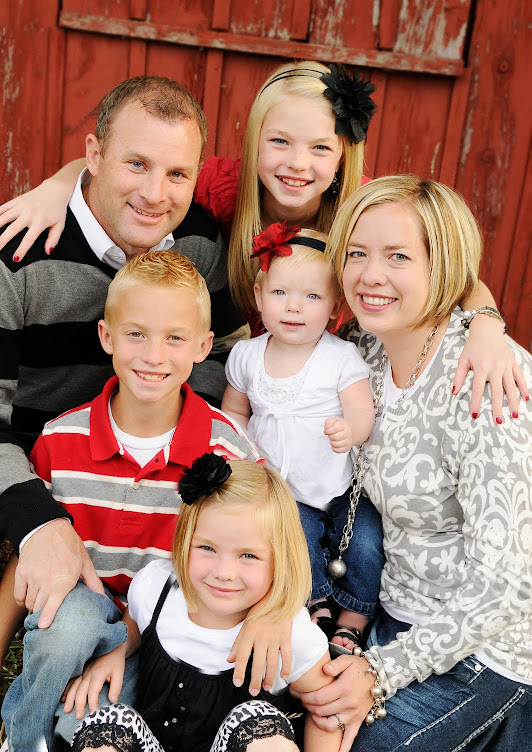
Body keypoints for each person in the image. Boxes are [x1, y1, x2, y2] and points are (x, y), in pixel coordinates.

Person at [0, 62, 521, 423]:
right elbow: (141, 170)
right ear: (254, 143)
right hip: (242, 387)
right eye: (280, 142)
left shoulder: (361, 212)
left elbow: (454, 278)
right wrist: (58, 186)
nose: (297, 164)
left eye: (320, 148)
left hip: (325, 396)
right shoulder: (222, 190)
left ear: (343, 156)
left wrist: (487, 326)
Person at [0, 75, 249, 639]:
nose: (156, 194)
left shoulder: (200, 244)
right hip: (40, 465)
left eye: (177, 173)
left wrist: (172, 438)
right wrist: (38, 521)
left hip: (147, 470)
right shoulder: (16, 256)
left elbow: (223, 352)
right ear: (93, 155)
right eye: (137, 164)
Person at [289, 176, 531, 752]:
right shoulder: (364, 351)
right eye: (357, 253)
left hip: (487, 645)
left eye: (398, 256)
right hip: (389, 612)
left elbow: (504, 586)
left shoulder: (488, 381)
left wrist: (380, 673)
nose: (371, 275)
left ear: (441, 265)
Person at [0, 250, 262, 751]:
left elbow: (266, 548)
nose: (153, 355)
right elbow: (32, 552)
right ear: (107, 337)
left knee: (87, 724)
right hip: (78, 610)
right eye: (136, 333)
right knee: (70, 628)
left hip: (162, 631)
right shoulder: (61, 438)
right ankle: (23, 738)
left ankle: (71, 726)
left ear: (203, 346)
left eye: (175, 338)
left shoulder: (228, 453)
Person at [64, 456, 342, 752]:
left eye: (248, 555)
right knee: (107, 724)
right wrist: (118, 650)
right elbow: (135, 618)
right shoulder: (157, 589)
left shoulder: (289, 634)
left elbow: (325, 708)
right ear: (185, 541)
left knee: (261, 727)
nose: (224, 572)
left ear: (280, 560)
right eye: (207, 548)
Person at [221, 225, 382, 654]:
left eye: (312, 296)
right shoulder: (247, 355)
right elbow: (235, 411)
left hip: (340, 487)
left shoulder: (340, 357)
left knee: (366, 543)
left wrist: (351, 430)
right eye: (280, 293)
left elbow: (362, 410)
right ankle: (315, 604)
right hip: (283, 490)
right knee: (295, 542)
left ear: (334, 308)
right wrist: (235, 452)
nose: (294, 307)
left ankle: (356, 615)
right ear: (259, 296)